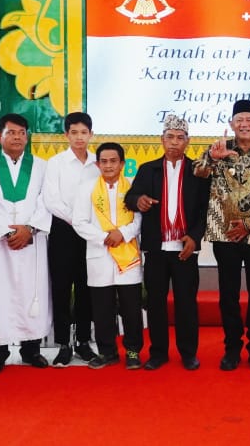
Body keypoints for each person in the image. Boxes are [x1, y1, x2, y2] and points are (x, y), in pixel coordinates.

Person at [194, 99, 250, 371]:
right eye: (239, 120)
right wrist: (212, 157)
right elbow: (197, 172)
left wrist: (249, 223)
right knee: (228, 296)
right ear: (232, 124)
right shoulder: (218, 149)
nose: (244, 124)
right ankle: (232, 349)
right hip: (225, 235)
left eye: (249, 120)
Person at [125, 114, 210, 371]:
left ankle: (188, 353)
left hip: (185, 249)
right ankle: (158, 352)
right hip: (156, 248)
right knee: (155, 303)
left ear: (188, 141)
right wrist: (138, 200)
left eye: (180, 138)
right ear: (162, 140)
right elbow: (130, 197)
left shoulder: (198, 172)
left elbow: (205, 210)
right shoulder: (147, 169)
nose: (174, 142)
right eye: (170, 137)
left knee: (186, 303)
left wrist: (194, 237)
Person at [0, 113, 54, 375]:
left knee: (32, 292)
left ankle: (32, 350)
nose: (17, 137)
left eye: (21, 133)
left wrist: (29, 229)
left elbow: (47, 201)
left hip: (32, 242)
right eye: (11, 132)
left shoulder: (42, 167)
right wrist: (9, 233)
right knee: (0, 295)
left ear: (27, 137)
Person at [72, 142, 144, 370]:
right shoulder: (87, 188)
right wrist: (104, 237)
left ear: (122, 164)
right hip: (99, 255)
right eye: (103, 161)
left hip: (127, 256)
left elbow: (139, 219)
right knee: (102, 309)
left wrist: (122, 234)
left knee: (131, 309)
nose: (109, 165)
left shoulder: (132, 186)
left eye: (113, 161)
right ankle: (107, 352)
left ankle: (133, 352)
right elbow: (79, 222)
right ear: (97, 164)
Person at [42, 111, 99, 366]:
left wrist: (86, 224)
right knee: (62, 288)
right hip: (63, 232)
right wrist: (76, 220)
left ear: (91, 134)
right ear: (66, 135)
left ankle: (84, 342)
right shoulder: (56, 163)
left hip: (91, 234)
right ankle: (63, 344)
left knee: (86, 288)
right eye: (74, 132)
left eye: (84, 132)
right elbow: (51, 200)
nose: (79, 137)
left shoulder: (98, 163)